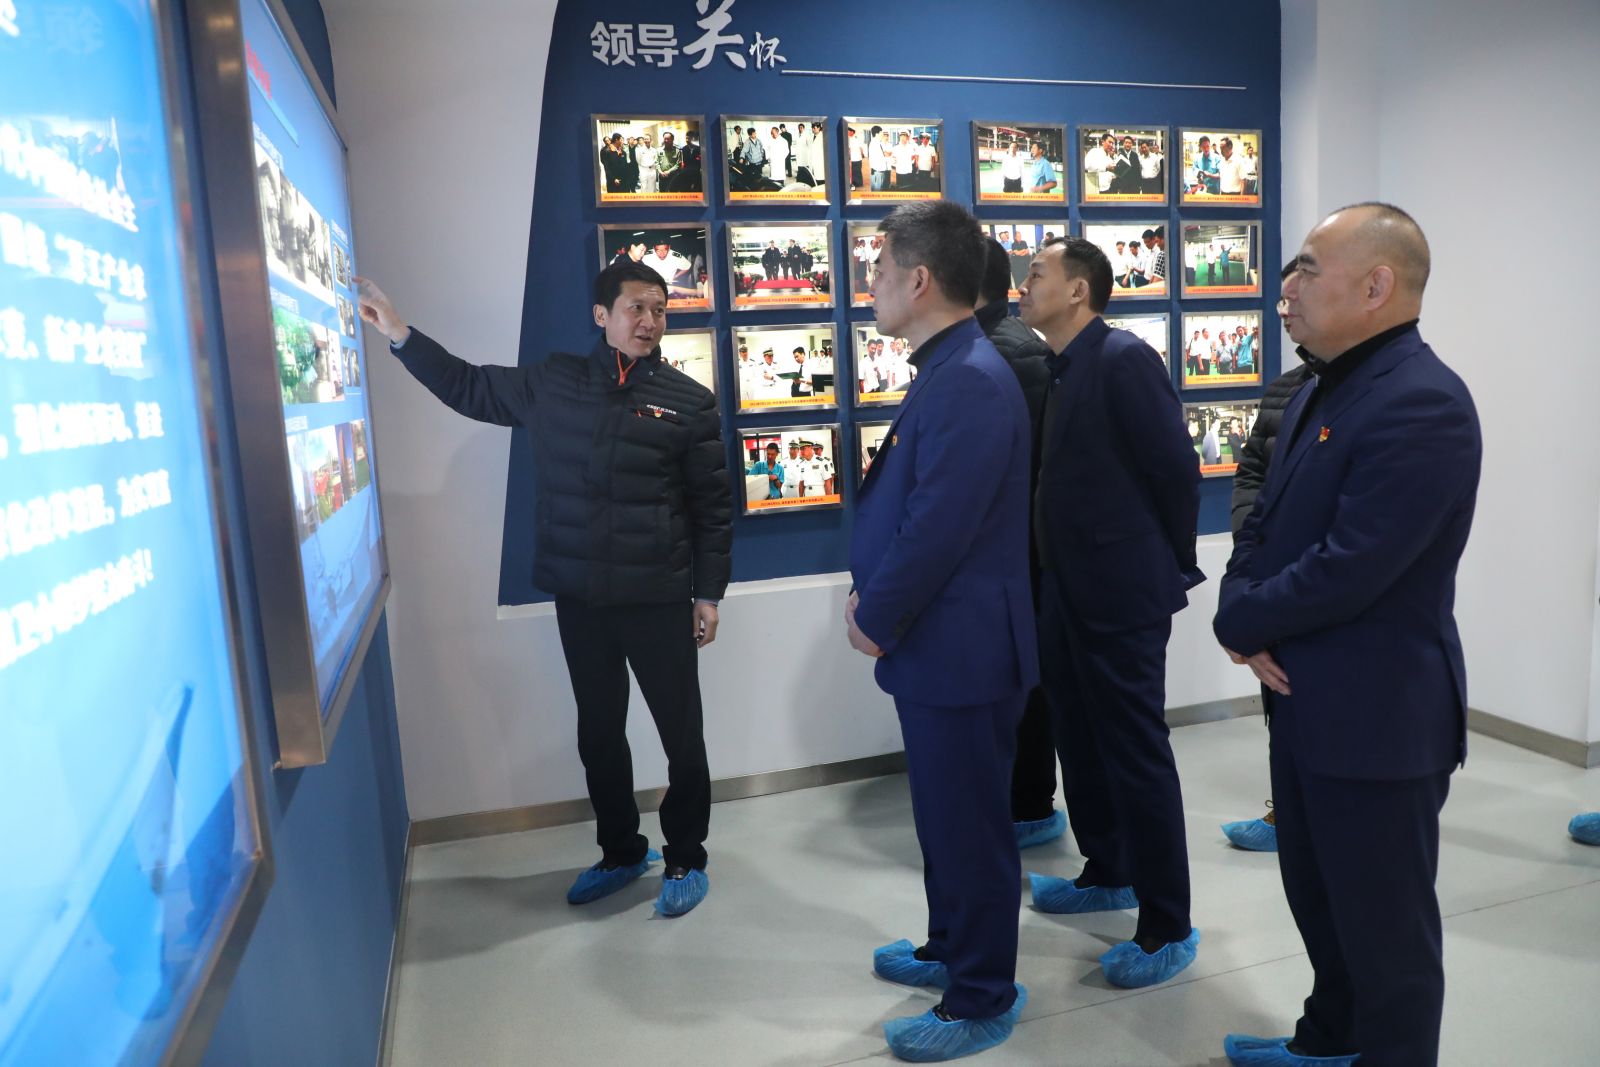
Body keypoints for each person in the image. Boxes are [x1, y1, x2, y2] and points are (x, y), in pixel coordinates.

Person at [355, 262, 729, 917]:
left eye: (659, 310)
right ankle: (621, 850)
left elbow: (713, 508)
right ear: (602, 314)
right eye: (636, 308)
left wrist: (709, 593)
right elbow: (469, 386)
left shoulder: (689, 401)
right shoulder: (554, 382)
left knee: (682, 734)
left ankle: (685, 855)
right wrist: (400, 334)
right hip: (581, 597)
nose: (649, 321)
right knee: (599, 733)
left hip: (658, 596)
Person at [1215, 203, 1480, 1067]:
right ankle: (1328, 1040)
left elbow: (1351, 565)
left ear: (1376, 286)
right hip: (1301, 699)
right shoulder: (1316, 387)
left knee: (1386, 934)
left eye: (1305, 269)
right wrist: (1239, 601)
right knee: (1320, 899)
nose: (1285, 290)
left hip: (1377, 718)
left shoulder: (1423, 402)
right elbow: (1260, 515)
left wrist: (1243, 618)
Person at [849, 201, 1034, 1062]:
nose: (872, 286)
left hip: (960, 648)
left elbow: (938, 527)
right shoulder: (950, 366)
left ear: (920, 279)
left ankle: (981, 994)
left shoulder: (967, 377)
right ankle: (950, 944)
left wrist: (874, 616)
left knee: (969, 827)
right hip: (942, 645)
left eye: (880, 270)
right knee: (944, 815)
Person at [1018, 236, 1204, 989]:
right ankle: (1108, 868)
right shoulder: (1061, 366)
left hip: (1121, 594)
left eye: (1036, 274)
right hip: (1065, 588)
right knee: (1077, 734)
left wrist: (1167, 562)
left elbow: (1176, 469)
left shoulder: (1123, 359)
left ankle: (1167, 923)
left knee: (1134, 750)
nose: (1023, 285)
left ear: (1078, 291)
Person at [974, 238, 1061, 849]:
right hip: (1014, 550)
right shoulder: (997, 346)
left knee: (1023, 688)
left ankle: (1028, 806)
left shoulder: (1005, 353)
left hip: (1020, 553)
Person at [869, 126, 891, 191]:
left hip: (878, 171)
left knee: (879, 190)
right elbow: (879, 159)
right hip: (878, 172)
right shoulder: (875, 144)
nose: (882, 134)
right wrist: (891, 160)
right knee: (877, 191)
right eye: (881, 133)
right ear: (877, 134)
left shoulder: (877, 143)